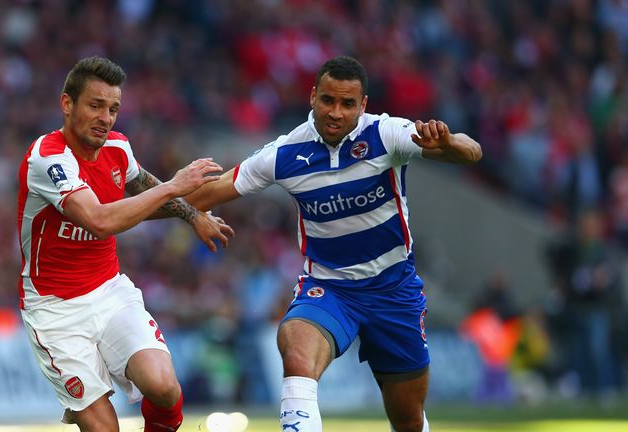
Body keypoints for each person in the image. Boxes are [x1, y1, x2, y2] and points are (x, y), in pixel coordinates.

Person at [186, 56, 482, 432]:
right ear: (312, 96)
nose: (336, 113)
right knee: (295, 346)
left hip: (393, 289)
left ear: (363, 105)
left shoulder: (386, 134)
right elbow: (205, 193)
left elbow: (472, 152)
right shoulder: (284, 154)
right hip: (330, 288)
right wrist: (145, 207)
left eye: (347, 104)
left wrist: (450, 142)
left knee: (407, 418)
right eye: (328, 100)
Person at [16, 56, 233, 432]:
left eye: (113, 108)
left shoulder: (118, 148)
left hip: (110, 291)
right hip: (55, 312)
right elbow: (101, 221)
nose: (106, 117)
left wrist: (192, 214)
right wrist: (175, 186)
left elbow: (144, 192)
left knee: (164, 387)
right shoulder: (48, 159)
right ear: (67, 104)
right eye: (95, 105)